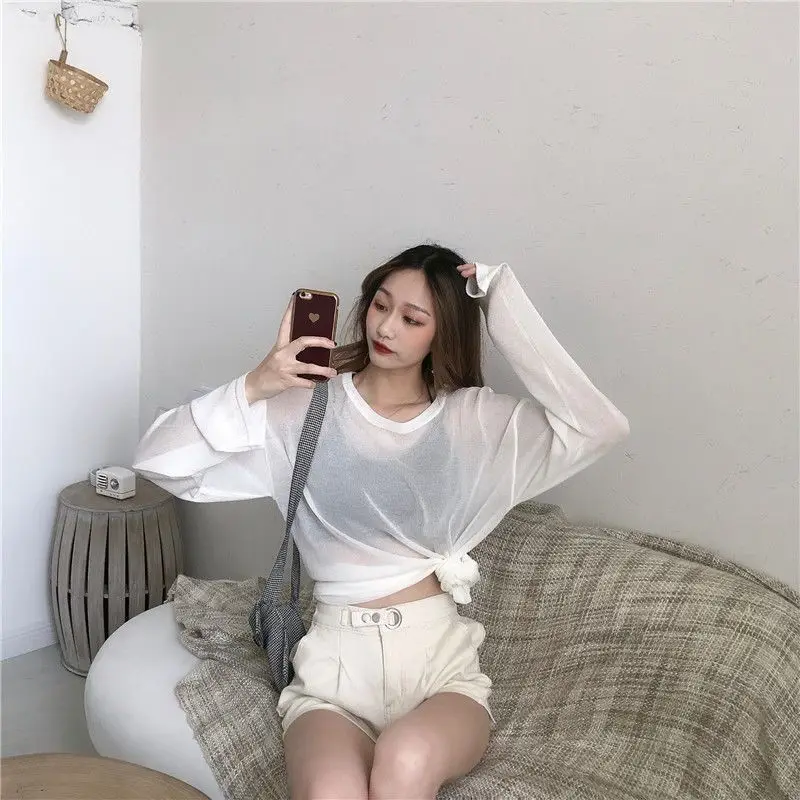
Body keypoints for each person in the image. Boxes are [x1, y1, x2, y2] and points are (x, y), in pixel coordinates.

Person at [133, 243, 630, 800]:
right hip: (333, 677)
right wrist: (256, 384)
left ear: (442, 332)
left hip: (440, 673)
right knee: (330, 791)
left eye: (412, 319)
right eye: (380, 305)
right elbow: (157, 461)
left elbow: (599, 427)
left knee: (405, 758)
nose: (387, 327)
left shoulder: (469, 420)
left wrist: (501, 300)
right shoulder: (302, 409)